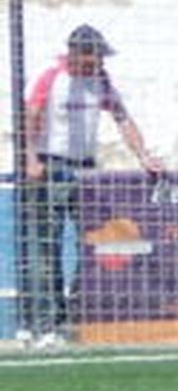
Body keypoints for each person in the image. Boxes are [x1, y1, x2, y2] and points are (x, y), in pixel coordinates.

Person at [18, 23, 163, 349]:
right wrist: (30, 157)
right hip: (51, 164)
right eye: (93, 57)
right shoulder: (51, 77)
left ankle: (70, 313)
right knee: (46, 246)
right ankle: (44, 323)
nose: (98, 63)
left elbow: (122, 118)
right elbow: (31, 115)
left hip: (85, 169)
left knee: (94, 243)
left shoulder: (101, 80)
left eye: (100, 57)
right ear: (76, 54)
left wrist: (143, 155)